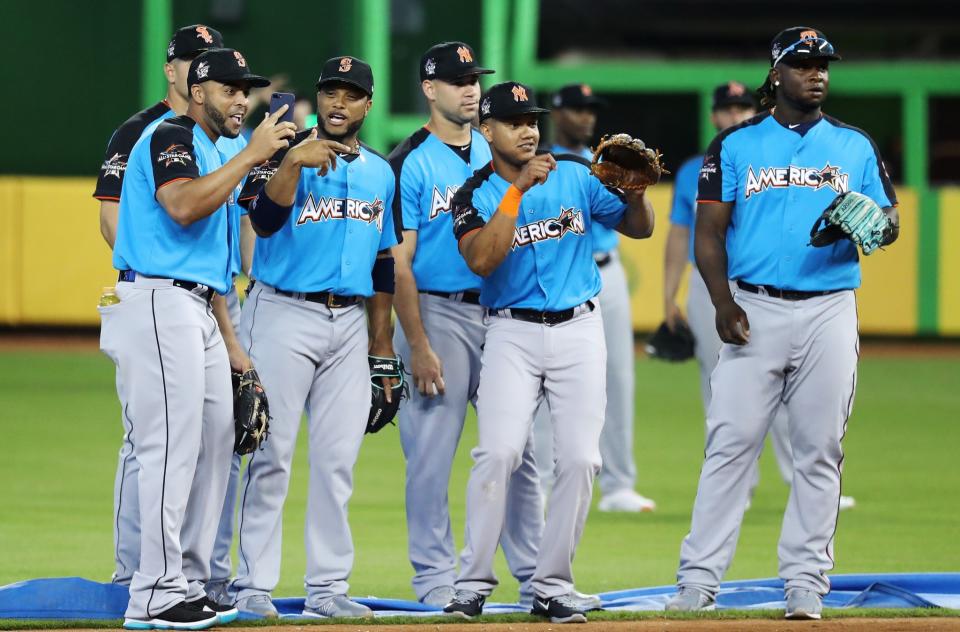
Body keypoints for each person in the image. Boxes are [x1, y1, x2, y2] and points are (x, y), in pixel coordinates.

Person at [665, 27, 898, 620]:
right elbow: (709, 232)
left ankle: (805, 582)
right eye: (803, 64)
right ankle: (697, 580)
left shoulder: (853, 145)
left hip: (828, 309)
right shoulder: (735, 145)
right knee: (731, 443)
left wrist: (877, 224)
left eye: (823, 65)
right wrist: (721, 302)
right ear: (777, 74)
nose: (816, 73)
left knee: (819, 448)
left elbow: (888, 221)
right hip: (754, 305)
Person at [443, 82, 655, 624]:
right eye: (514, 121)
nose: (529, 129)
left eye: (532, 119)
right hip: (511, 334)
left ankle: (552, 584)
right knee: (499, 453)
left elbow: (639, 227)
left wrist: (636, 192)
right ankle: (471, 582)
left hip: (579, 330)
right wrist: (516, 191)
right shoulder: (472, 195)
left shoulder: (575, 173)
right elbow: (483, 262)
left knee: (583, 459)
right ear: (487, 131)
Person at [99, 47, 294, 629]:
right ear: (200, 90)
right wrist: (254, 154)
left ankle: (186, 580)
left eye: (247, 90)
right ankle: (153, 592)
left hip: (200, 306)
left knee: (215, 440)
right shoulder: (169, 136)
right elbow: (182, 206)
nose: (241, 100)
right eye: (230, 90)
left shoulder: (225, 148)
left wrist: (286, 162)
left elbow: (261, 224)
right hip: (156, 299)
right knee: (170, 446)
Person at [227, 55, 400, 620]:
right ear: (319, 98)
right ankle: (251, 586)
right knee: (270, 454)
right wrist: (291, 164)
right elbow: (266, 220)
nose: (339, 103)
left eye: (352, 94)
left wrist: (381, 347)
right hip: (282, 313)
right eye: (331, 91)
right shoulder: (278, 152)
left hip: (350, 324)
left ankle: (328, 587)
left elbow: (381, 266)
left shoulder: (380, 170)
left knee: (337, 461)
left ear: (367, 105)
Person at [389, 42, 545, 608]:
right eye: (457, 81)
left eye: (474, 79)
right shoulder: (408, 161)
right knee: (431, 452)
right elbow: (398, 262)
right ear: (430, 90)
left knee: (519, 450)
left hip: (504, 311)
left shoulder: (498, 147)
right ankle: (433, 578)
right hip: (438, 312)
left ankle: (534, 576)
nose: (471, 89)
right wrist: (418, 343)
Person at [666, 81, 856, 513]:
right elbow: (683, 235)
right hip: (710, 285)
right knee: (720, 385)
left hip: (759, 281)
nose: (734, 114)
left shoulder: (767, 155)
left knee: (792, 388)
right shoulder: (699, 166)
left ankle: (803, 479)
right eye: (726, 108)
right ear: (714, 115)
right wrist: (668, 295)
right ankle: (738, 484)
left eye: (741, 106)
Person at [532, 83, 656, 513]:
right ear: (557, 114)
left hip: (608, 271)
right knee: (548, 383)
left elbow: (637, 221)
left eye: (591, 110)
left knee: (619, 378)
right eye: (577, 109)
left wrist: (634, 192)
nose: (586, 117)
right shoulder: (543, 162)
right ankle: (542, 481)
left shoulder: (608, 162)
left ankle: (619, 484)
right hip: (561, 277)